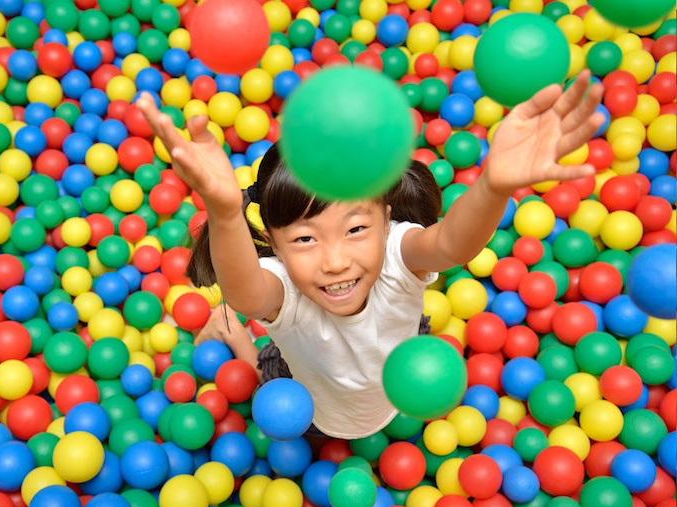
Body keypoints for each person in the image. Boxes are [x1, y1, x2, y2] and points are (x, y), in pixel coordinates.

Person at [136, 70, 604, 439]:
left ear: (386, 217)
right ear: (274, 245)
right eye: (304, 239)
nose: (335, 260)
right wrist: (223, 215)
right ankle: (231, 333)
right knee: (270, 382)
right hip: (315, 397)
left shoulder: (400, 254)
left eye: (356, 229)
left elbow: (451, 244)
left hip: (395, 368)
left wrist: (493, 186)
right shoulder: (288, 294)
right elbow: (246, 292)